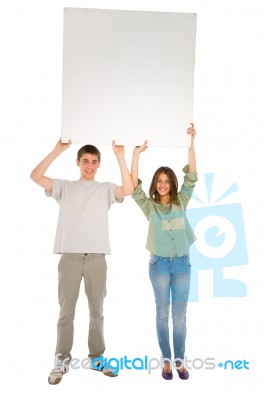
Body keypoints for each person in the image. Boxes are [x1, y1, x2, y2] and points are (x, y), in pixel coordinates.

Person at [30, 139, 134, 384]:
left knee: (97, 312)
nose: (89, 166)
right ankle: (61, 360)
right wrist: (58, 149)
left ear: (99, 165)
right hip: (70, 258)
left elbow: (128, 189)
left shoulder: (106, 189)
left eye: (94, 162)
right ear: (78, 163)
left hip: (97, 257)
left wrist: (120, 155)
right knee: (66, 312)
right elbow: (35, 176)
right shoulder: (64, 187)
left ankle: (97, 358)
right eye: (85, 161)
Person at [131, 124, 197, 380]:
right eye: (159, 181)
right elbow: (133, 188)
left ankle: (180, 362)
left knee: (179, 319)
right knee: (162, 314)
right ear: (154, 184)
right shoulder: (150, 207)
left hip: (181, 264)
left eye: (166, 181)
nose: (162, 185)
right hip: (159, 265)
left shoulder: (182, 200)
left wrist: (191, 142)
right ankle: (166, 361)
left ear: (172, 183)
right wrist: (136, 154)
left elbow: (192, 175)